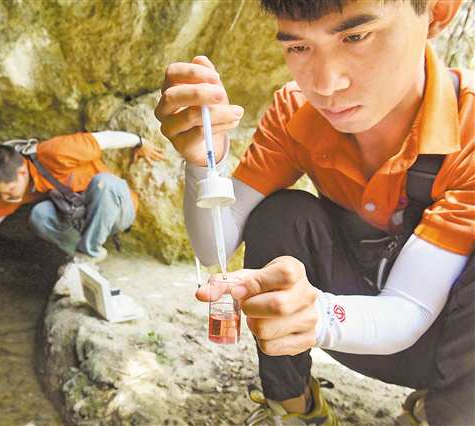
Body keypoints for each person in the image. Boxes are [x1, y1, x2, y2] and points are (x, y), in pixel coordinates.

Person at [155, 0, 473, 425]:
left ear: (437, 12)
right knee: (281, 215)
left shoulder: (467, 130)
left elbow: (409, 311)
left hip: (439, 348)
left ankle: (442, 413)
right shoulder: (296, 112)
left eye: (355, 37)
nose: (325, 84)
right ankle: (293, 407)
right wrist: (203, 162)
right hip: (348, 323)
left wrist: (320, 316)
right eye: (299, 47)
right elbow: (214, 247)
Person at [0, 131, 164, 286]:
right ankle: (90, 254)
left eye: (7, 190)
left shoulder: (56, 152)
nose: (5, 197)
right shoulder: (13, 191)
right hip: (80, 219)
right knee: (39, 215)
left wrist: (141, 142)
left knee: (105, 183)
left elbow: (106, 139)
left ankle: (85, 257)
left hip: (117, 209)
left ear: (21, 171)